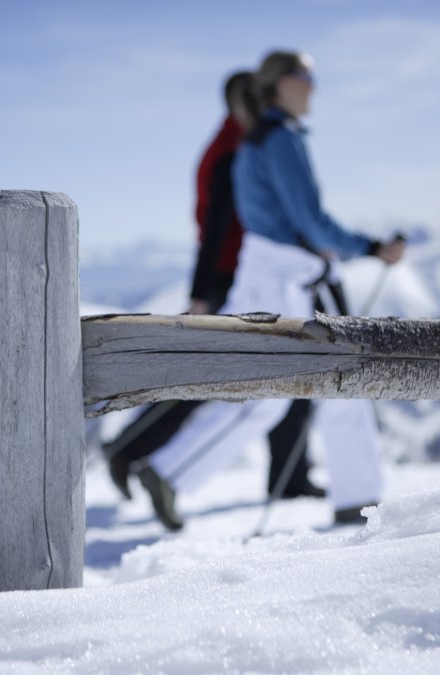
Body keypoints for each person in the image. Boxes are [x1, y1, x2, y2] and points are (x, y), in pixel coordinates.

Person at [140, 49, 405, 529]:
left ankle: (170, 472)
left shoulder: (255, 141)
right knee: (342, 384)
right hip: (292, 280)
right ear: (281, 82)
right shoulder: (280, 138)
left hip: (265, 274)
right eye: (305, 76)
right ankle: (360, 501)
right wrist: (371, 246)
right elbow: (312, 223)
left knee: (265, 397)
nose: (313, 86)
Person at [102, 71, 324, 528]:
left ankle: (290, 476)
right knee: (213, 380)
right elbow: (216, 232)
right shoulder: (234, 153)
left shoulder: (232, 146)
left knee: (267, 377)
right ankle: (130, 451)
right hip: (233, 280)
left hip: (237, 276)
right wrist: (203, 294)